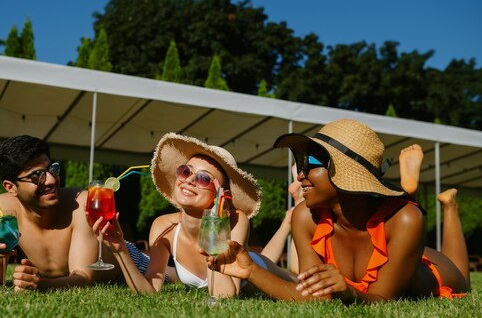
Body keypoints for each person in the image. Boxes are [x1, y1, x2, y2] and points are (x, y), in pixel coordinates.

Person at [213, 119, 470, 303]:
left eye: (310, 162)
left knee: (462, 276)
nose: (300, 174)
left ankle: (449, 206)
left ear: (347, 173)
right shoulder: (306, 218)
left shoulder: (406, 219)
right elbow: (310, 294)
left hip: (433, 273)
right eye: (300, 163)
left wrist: (349, 292)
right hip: (393, 244)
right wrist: (251, 271)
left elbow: (383, 300)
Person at [95, 133, 294, 297]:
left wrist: (215, 222)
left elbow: (224, 295)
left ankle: (289, 225)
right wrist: (120, 249)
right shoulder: (162, 227)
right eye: (185, 171)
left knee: (298, 281)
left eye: (203, 178)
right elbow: (149, 292)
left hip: (261, 270)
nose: (189, 180)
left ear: (221, 194)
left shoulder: (235, 220)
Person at [0, 135, 120, 291]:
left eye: (52, 169)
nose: (51, 180)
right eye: (37, 176)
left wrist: (39, 284)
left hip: (132, 268)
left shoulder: (81, 204)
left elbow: (85, 278)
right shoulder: (5, 210)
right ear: (11, 187)